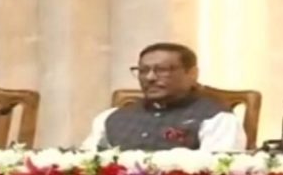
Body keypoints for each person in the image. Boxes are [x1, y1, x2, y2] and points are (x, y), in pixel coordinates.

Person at [81, 43, 247, 151]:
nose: (150, 78)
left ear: (192, 74)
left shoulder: (217, 118)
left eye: (162, 70)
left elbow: (218, 174)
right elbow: (85, 165)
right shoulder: (111, 117)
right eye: (143, 71)